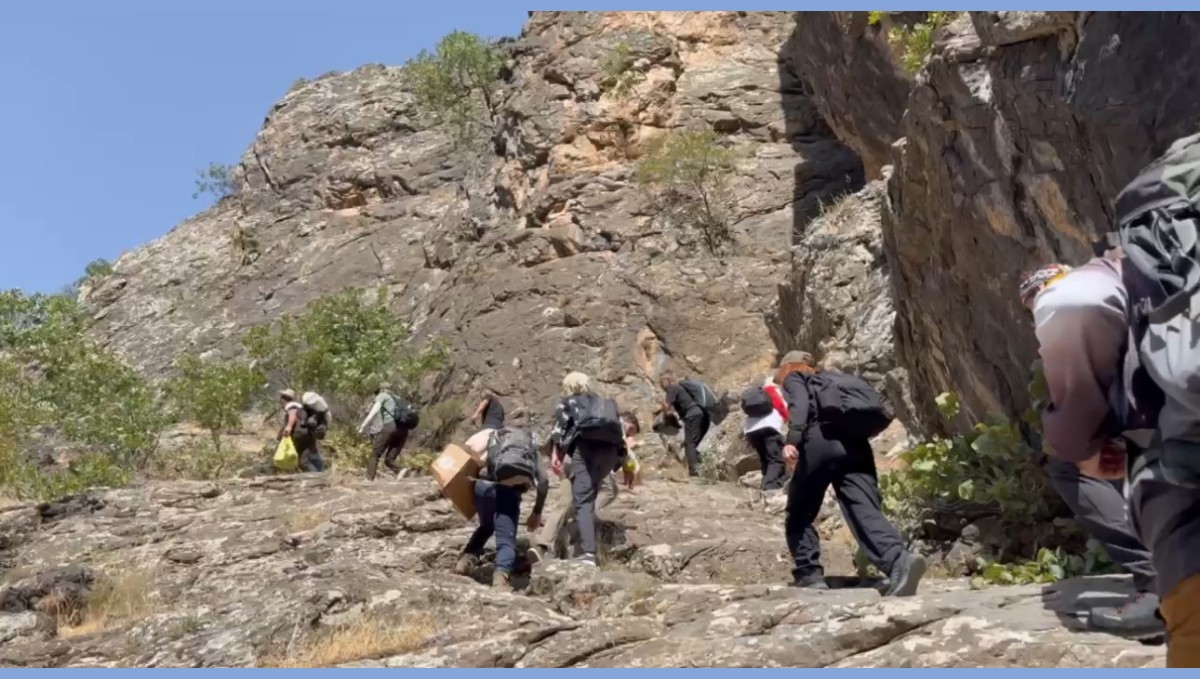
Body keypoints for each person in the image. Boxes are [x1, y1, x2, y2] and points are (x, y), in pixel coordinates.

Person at [1019, 260, 1164, 640]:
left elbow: (1076, 409)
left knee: (1071, 464)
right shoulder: (1128, 266)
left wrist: (1082, 449)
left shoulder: (1064, 296)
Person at [777, 351, 925, 596]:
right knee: (863, 509)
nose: (781, 380)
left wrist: (792, 440)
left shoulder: (797, 377)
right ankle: (899, 560)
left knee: (800, 510)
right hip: (856, 446)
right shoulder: (841, 380)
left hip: (820, 440)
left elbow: (800, 406)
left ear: (792, 366)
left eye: (781, 373)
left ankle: (809, 574)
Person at [535, 372, 626, 567]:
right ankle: (578, 539)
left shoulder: (568, 401)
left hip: (584, 449)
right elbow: (620, 430)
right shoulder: (604, 403)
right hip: (610, 452)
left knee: (582, 500)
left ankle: (588, 554)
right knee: (590, 494)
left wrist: (556, 455)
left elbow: (558, 432)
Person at [453, 427, 548, 589]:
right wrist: (537, 511)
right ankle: (500, 579)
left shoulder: (492, 438)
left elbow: (465, 452)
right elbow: (544, 482)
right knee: (506, 540)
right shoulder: (530, 448)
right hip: (508, 493)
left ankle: (464, 562)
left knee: (486, 526)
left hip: (483, 488)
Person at [742, 375, 789, 492]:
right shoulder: (773, 391)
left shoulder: (757, 395)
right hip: (769, 426)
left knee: (765, 459)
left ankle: (769, 483)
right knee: (776, 459)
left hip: (751, 429)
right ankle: (770, 488)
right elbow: (782, 408)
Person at [358, 382, 412, 481]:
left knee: (375, 454)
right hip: (404, 430)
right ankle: (401, 469)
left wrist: (363, 426)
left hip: (390, 427)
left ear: (382, 390)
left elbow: (373, 412)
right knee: (389, 459)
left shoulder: (382, 396)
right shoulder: (399, 399)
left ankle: (368, 480)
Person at [660, 373, 710, 477]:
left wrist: (662, 406)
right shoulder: (679, 388)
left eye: (662, 382)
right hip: (702, 414)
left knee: (689, 443)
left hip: (692, 415)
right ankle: (703, 466)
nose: (661, 385)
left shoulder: (672, 388)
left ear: (667, 380)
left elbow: (668, 410)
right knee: (693, 443)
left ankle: (694, 472)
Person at [277, 389, 325, 473]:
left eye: (281, 398)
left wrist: (288, 427)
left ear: (283, 398)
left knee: (295, 459)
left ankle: (316, 478)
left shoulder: (291, 406)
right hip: (308, 435)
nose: (279, 400)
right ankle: (319, 476)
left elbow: (292, 414)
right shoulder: (301, 408)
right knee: (304, 461)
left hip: (299, 435)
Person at [465, 389, 506, 456]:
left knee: (468, 445)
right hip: (496, 433)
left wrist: (476, 414)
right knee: (480, 456)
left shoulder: (489, 396)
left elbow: (484, 402)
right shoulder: (500, 408)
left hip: (489, 430)